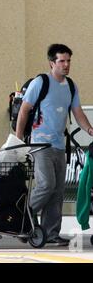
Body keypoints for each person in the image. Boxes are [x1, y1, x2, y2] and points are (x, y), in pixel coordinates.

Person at [16, 44, 93, 246]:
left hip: (59, 145)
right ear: (52, 63)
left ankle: (51, 233)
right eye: (62, 61)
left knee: (57, 191)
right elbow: (24, 110)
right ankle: (22, 218)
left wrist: (90, 130)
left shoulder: (70, 86)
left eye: (68, 61)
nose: (66, 64)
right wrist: (18, 140)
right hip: (39, 144)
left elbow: (78, 113)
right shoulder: (40, 82)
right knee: (46, 185)